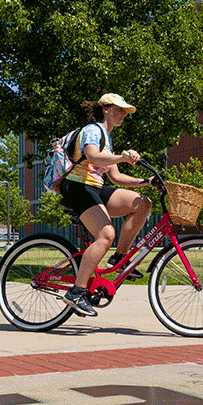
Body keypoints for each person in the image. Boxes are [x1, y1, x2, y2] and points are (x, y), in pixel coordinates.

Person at [58, 93, 152, 317]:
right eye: (119, 109)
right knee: (106, 234)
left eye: (125, 111)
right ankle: (77, 292)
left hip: (95, 187)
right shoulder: (93, 130)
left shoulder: (108, 138)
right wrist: (121, 156)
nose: (123, 114)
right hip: (77, 186)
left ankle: (120, 257)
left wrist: (143, 182)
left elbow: (116, 178)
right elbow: (91, 156)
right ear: (106, 109)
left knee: (142, 204)